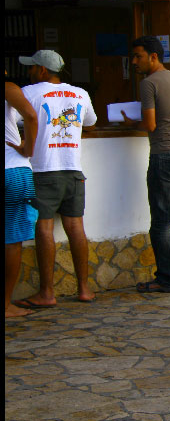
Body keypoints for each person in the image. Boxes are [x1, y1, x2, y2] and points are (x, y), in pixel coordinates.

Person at [13, 50, 97, 310]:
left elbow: (12, 119)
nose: (29, 72)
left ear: (41, 70)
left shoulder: (29, 92)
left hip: (43, 170)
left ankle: (47, 292)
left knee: (44, 228)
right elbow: (91, 122)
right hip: (73, 170)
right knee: (76, 228)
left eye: (32, 68)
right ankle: (84, 289)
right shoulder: (80, 93)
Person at [123, 35, 170, 293]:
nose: (134, 61)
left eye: (138, 56)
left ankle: (167, 279)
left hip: (164, 155)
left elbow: (151, 124)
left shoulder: (149, 83)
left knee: (162, 221)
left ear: (153, 56)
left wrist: (131, 123)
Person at [5, 75, 39, 317]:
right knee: (11, 239)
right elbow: (31, 115)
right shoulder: (8, 88)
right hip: (12, 170)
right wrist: (28, 149)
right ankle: (6, 305)